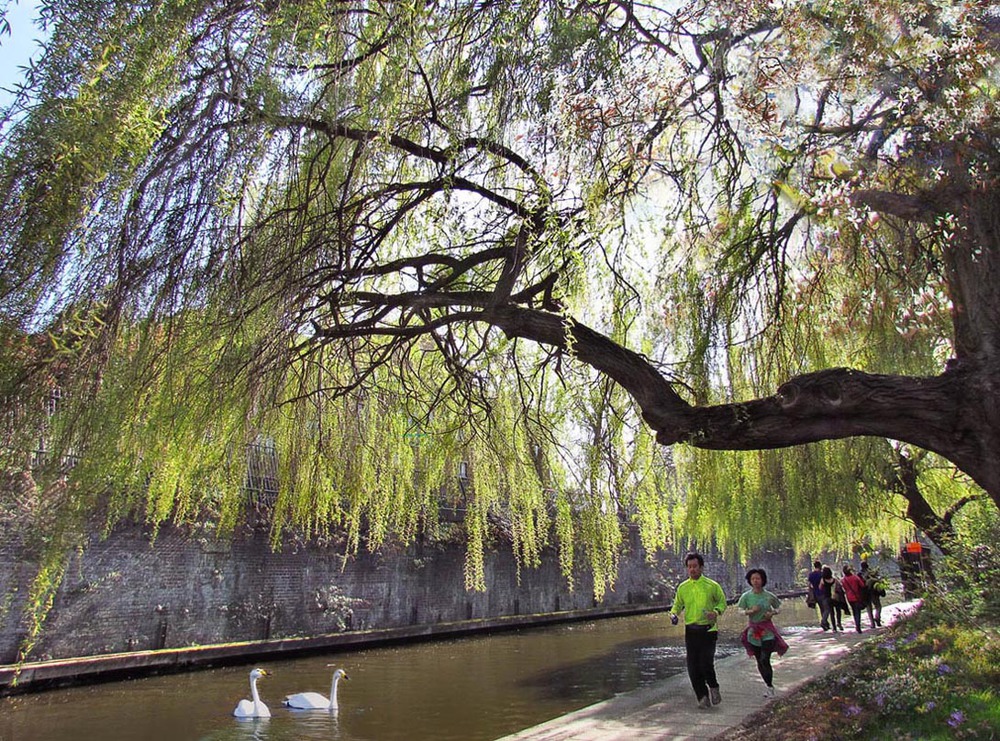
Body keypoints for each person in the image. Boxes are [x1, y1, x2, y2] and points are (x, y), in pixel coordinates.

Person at [669, 552, 728, 709]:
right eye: (689, 567)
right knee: (692, 666)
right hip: (691, 630)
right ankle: (702, 696)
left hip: (708, 630)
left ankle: (713, 686)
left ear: (701, 567)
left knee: (705, 663)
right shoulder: (683, 587)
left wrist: (715, 612)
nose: (692, 569)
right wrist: (674, 614)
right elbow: (677, 605)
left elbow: (722, 602)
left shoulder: (712, 586)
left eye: (695, 566)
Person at [737, 568, 788, 697]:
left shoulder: (769, 596)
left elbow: (779, 607)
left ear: (763, 580)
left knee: (765, 659)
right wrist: (749, 612)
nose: (755, 581)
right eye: (753, 579)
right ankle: (768, 685)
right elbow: (740, 610)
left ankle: (770, 687)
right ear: (749, 581)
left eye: (758, 578)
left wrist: (772, 613)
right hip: (753, 632)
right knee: (759, 660)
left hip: (767, 631)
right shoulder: (746, 596)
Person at [841, 564, 867, 633]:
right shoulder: (855, 578)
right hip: (857, 596)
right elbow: (862, 585)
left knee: (854, 611)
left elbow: (844, 588)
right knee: (858, 612)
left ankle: (856, 624)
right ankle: (858, 626)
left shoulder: (843, 580)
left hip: (849, 598)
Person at [860, 560, 883, 628]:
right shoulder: (873, 573)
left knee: (869, 608)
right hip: (874, 592)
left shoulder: (860, 574)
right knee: (878, 606)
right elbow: (878, 580)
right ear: (868, 565)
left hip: (865, 593)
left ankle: (872, 623)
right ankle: (877, 617)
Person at [821, 565, 845, 631]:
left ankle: (834, 627)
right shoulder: (834, 580)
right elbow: (840, 586)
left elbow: (820, 588)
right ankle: (839, 623)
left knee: (832, 613)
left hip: (828, 598)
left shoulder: (823, 580)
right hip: (836, 597)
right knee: (838, 611)